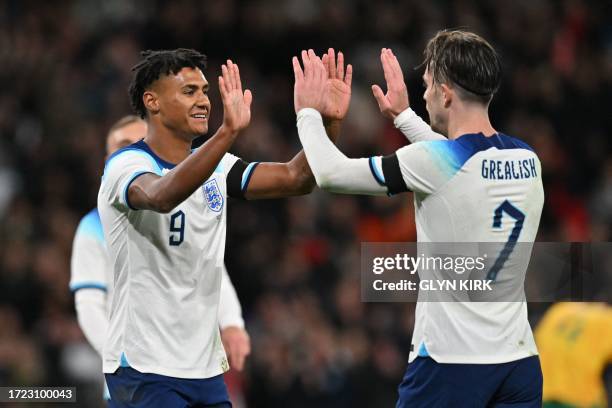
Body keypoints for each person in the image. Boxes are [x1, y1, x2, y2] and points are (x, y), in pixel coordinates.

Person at [294, 30, 544, 406]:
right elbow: (458, 167)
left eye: (426, 85)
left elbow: (331, 173)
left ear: (445, 93)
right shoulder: (527, 159)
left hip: (451, 364)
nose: (424, 95)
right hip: (518, 361)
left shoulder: (440, 163)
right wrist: (404, 116)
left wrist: (308, 113)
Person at [98, 48, 351, 407]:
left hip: (204, 371)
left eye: (205, 91)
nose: (203, 101)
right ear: (151, 101)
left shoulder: (218, 167)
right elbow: (161, 196)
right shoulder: (126, 165)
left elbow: (298, 178)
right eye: (189, 92)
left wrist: (326, 123)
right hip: (143, 366)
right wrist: (227, 132)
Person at [70, 115, 251, 404]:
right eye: (121, 145)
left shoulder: (190, 209)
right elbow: (90, 304)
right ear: (107, 158)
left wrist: (231, 322)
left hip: (194, 368)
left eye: (137, 143)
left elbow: (212, 270)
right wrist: (122, 356)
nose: (130, 151)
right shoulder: (94, 227)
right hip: (139, 373)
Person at [535, 302, 612, 408]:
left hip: (543, 395)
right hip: (579, 399)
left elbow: (539, 342)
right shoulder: (607, 319)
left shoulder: (559, 309)